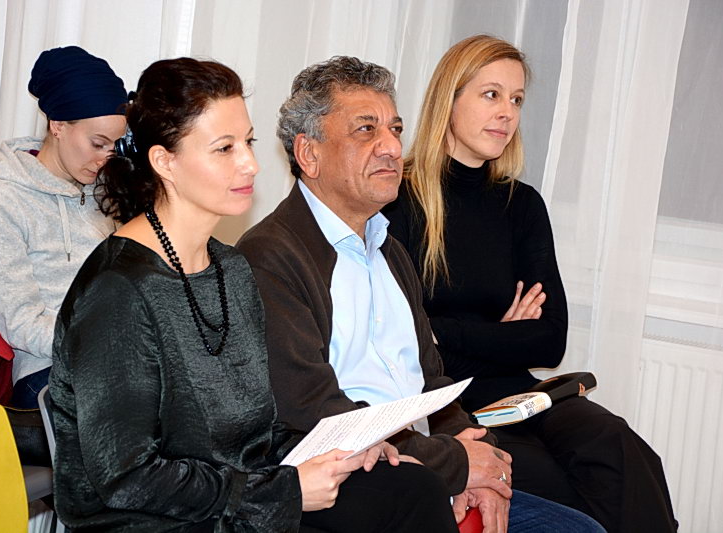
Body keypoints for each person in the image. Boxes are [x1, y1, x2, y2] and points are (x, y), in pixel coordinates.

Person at [49, 57, 460, 533]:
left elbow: (257, 433)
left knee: (410, 487)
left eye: (248, 142)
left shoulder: (230, 268)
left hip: (243, 500)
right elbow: (126, 478)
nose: (251, 164)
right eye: (224, 148)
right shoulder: (117, 290)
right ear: (165, 162)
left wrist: (349, 445)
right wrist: (284, 491)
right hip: (156, 522)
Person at [237, 55, 605, 533]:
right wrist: (457, 463)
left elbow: (433, 382)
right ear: (309, 154)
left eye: (395, 129)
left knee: (582, 526)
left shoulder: (388, 249)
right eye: (366, 130)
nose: (392, 147)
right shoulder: (270, 256)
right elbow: (317, 413)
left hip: (429, 467)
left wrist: (480, 460)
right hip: (367, 485)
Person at [383, 35, 678, 533]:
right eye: (491, 94)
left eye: (516, 99)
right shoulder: (400, 200)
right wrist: (502, 336)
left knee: (620, 449)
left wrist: (445, 331)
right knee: (561, 487)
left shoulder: (521, 205)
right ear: (449, 99)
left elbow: (549, 340)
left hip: (524, 394)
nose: (507, 113)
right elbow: (408, 343)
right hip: (450, 407)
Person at [0, 46, 127, 408]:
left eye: (115, 145)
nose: (105, 157)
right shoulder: (1, 199)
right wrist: (103, 342)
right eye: (98, 143)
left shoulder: (105, 191)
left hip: (116, 357)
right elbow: (21, 323)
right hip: (47, 371)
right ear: (58, 125)